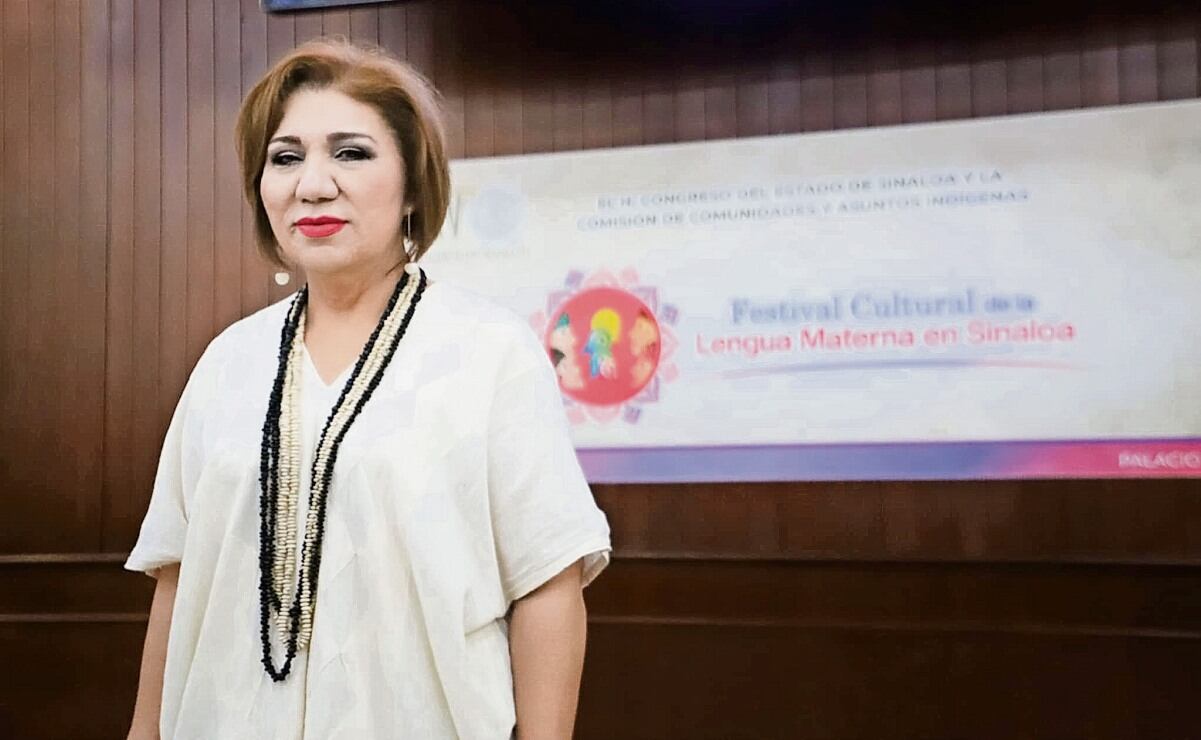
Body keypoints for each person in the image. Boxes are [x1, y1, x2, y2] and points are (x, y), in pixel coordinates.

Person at [125, 39, 611, 739]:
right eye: (285, 157)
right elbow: (178, 578)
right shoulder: (228, 361)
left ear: (412, 186)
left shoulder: (490, 352)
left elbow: (547, 584)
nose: (312, 184)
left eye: (350, 153)